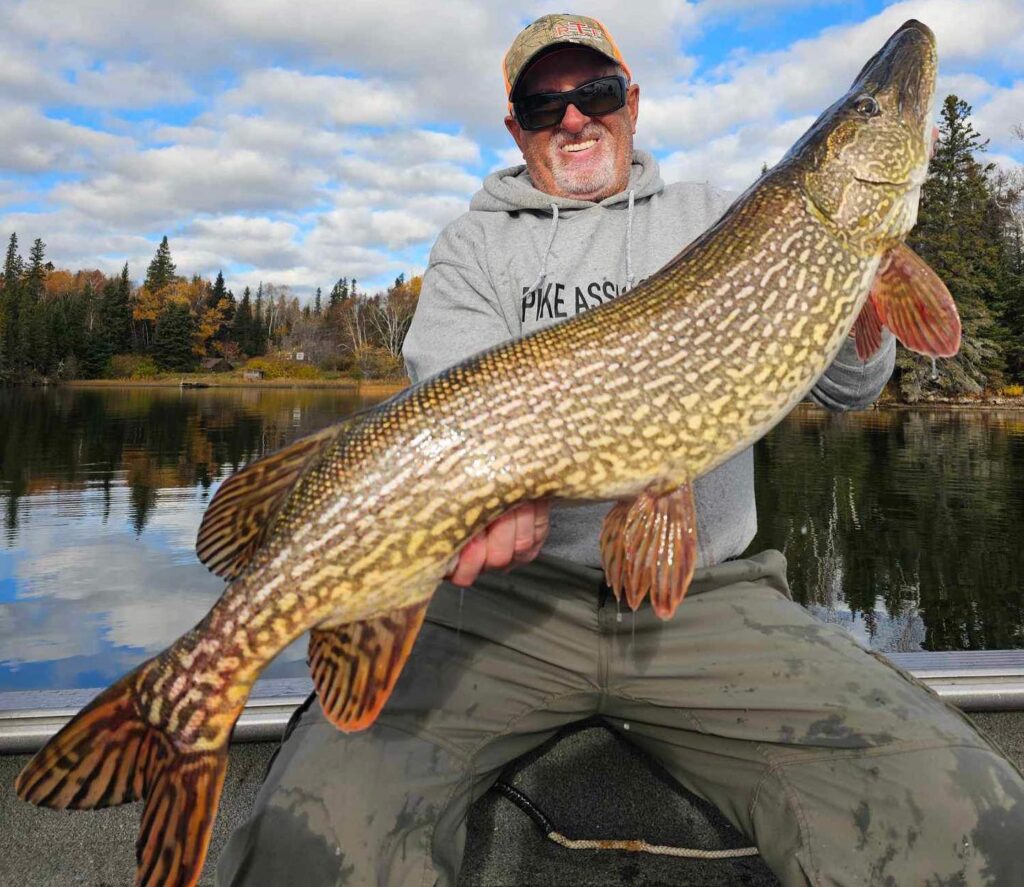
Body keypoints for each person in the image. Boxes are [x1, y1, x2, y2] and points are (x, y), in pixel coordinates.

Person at [219, 14, 1024, 886]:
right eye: (543, 103)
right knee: (305, 847)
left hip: (709, 605)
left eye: (594, 94)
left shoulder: (718, 214)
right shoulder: (472, 248)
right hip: (497, 610)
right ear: (516, 126)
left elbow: (852, 389)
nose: (572, 119)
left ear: (631, 103)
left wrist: (864, 271)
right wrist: (488, 500)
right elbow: (455, 423)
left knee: (974, 816)